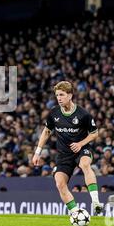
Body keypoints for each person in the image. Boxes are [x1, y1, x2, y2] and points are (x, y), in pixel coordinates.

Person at [32, 81, 104, 216]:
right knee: (59, 183)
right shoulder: (54, 113)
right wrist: (37, 153)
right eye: (57, 95)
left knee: (85, 164)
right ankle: (77, 213)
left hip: (80, 149)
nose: (59, 98)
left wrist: (81, 143)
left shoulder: (83, 114)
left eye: (62, 95)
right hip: (64, 154)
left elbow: (94, 133)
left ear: (70, 95)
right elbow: (46, 132)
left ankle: (95, 202)